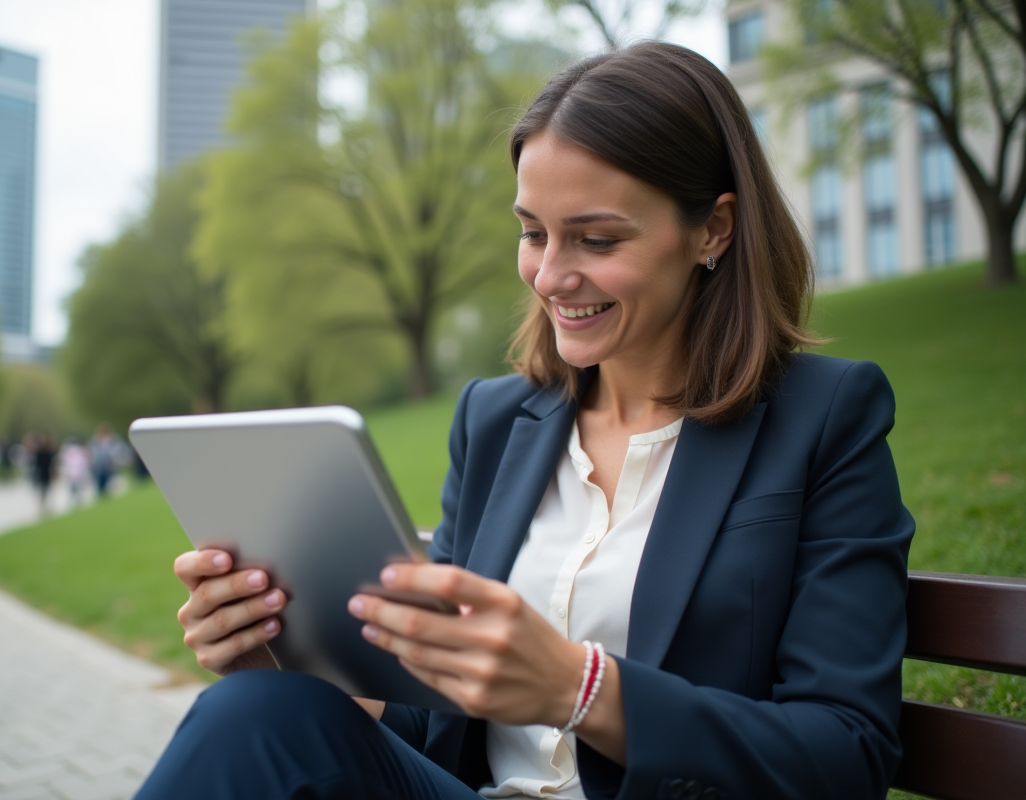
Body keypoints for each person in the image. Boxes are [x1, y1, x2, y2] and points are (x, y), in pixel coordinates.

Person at [137, 42, 914, 800]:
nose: (549, 275)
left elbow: (847, 755)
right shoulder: (495, 420)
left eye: (596, 239)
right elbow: (430, 726)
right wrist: (282, 663)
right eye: (533, 231)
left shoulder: (825, 420)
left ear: (713, 229)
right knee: (256, 713)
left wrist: (583, 690)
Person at [88, 423, 120, 498]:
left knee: (111, 485)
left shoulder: (112, 440)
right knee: (101, 485)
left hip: (109, 466)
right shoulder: (95, 442)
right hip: (99, 467)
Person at [59, 436, 91, 508]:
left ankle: (72, 503)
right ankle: (78, 502)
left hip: (70, 474)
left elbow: (63, 461)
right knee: (78, 490)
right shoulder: (81, 450)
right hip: (79, 473)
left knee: (71, 490)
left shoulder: (66, 451)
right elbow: (84, 463)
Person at [32, 431, 58, 516]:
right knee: (46, 490)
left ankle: (42, 507)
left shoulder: (40, 453)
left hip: (42, 473)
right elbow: (53, 464)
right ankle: (44, 507)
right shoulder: (48, 453)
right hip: (46, 473)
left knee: (43, 490)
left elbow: (37, 464)